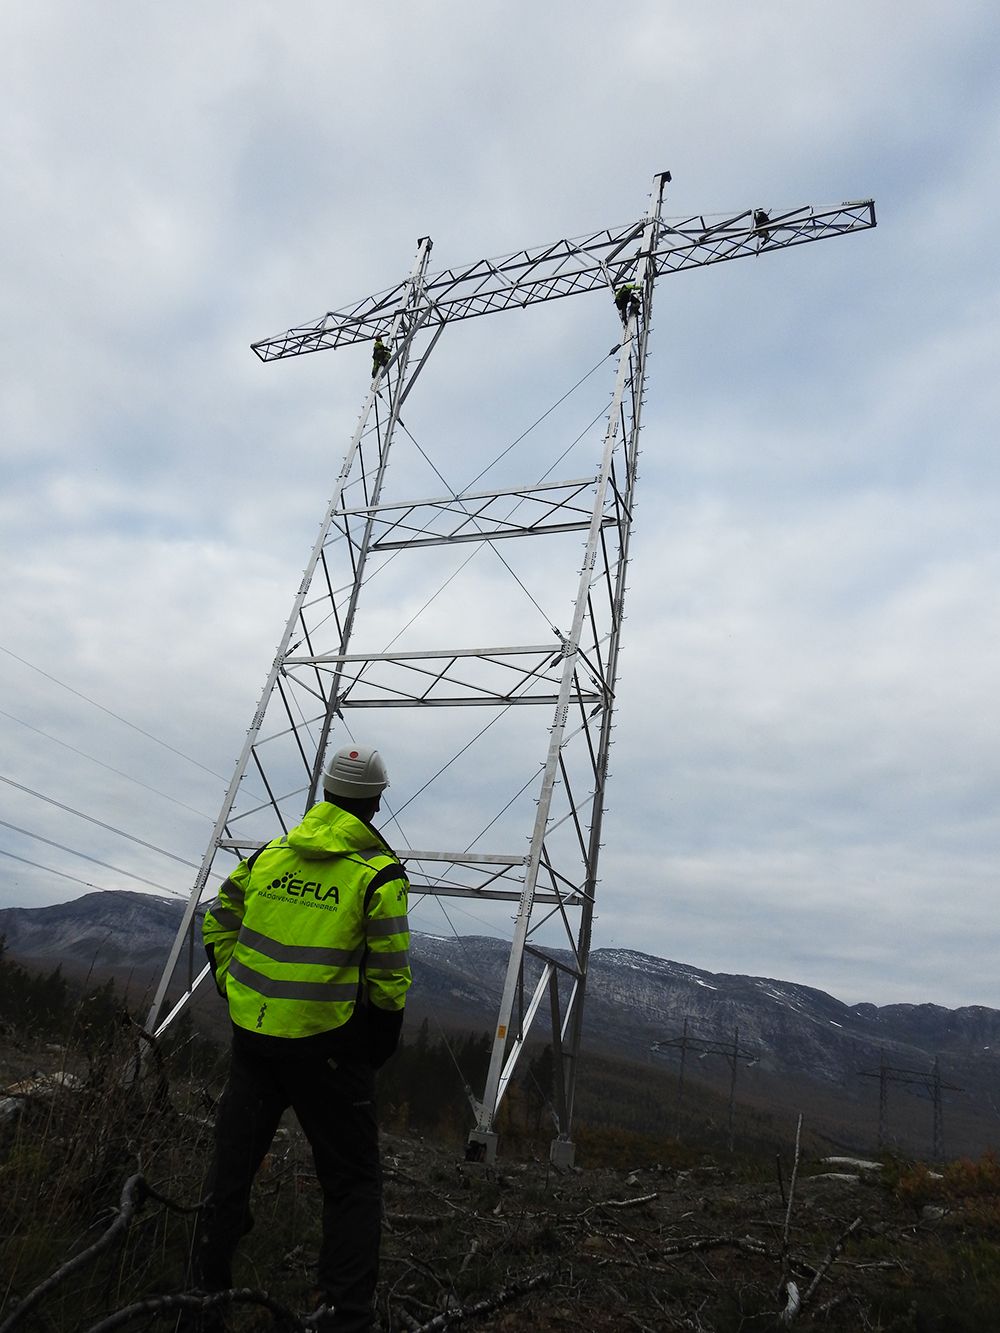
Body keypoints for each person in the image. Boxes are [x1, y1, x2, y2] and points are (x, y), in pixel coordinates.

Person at [189, 744, 411, 1333]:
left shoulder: (270, 855)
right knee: (352, 1184)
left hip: (255, 1040)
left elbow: (218, 917)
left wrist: (234, 983)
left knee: (231, 1169)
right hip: (331, 1051)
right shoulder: (378, 874)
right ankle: (344, 1317)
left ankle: (200, 1305)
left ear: (326, 792)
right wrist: (378, 1041)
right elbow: (390, 974)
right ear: (376, 801)